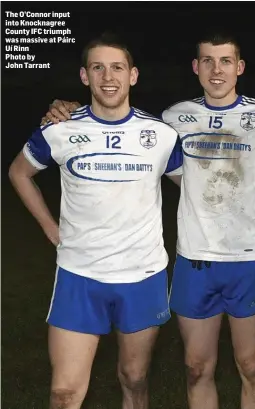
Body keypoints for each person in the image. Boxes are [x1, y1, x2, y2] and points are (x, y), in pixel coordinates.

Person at [39, 33, 255, 409]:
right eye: (207, 61)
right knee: (196, 367)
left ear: (239, 68)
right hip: (195, 259)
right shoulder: (171, 120)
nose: (215, 70)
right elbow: (125, 127)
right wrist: (66, 107)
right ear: (195, 67)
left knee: (251, 365)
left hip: (249, 260)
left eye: (224, 61)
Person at [9, 34, 182, 409]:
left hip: (143, 274)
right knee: (64, 393)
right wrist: (50, 229)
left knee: (134, 380)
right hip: (79, 275)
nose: (108, 76)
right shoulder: (59, 128)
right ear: (85, 76)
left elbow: (196, 187)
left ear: (133, 75)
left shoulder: (164, 137)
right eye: (97, 67)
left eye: (117, 67)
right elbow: (19, 173)